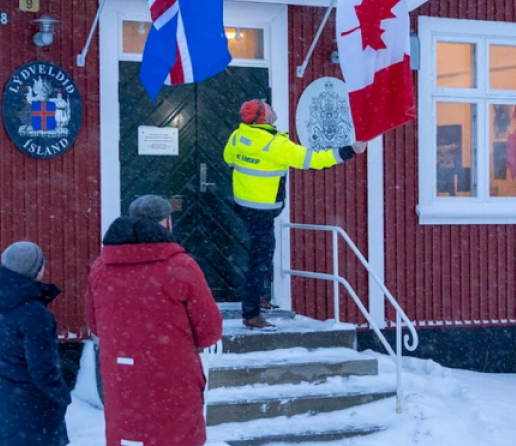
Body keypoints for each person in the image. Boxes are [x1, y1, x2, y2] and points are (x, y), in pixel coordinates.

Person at [86, 195, 223, 446]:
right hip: (172, 376)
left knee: (129, 436)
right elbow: (209, 329)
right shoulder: (180, 266)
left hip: (122, 375)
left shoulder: (101, 267)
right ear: (167, 222)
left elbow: (94, 324)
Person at [223, 99, 366, 329]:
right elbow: (315, 160)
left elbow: (229, 159)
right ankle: (251, 314)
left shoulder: (238, 136)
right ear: (264, 117)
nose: (271, 105)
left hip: (244, 207)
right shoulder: (276, 145)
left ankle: (258, 296)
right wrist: (350, 150)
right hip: (263, 211)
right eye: (267, 105)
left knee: (260, 255)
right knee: (259, 260)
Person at [0, 242, 70, 446]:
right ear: (34, 270)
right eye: (42, 264)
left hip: (4, 396)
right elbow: (42, 368)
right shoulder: (35, 313)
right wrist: (60, 395)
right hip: (33, 404)